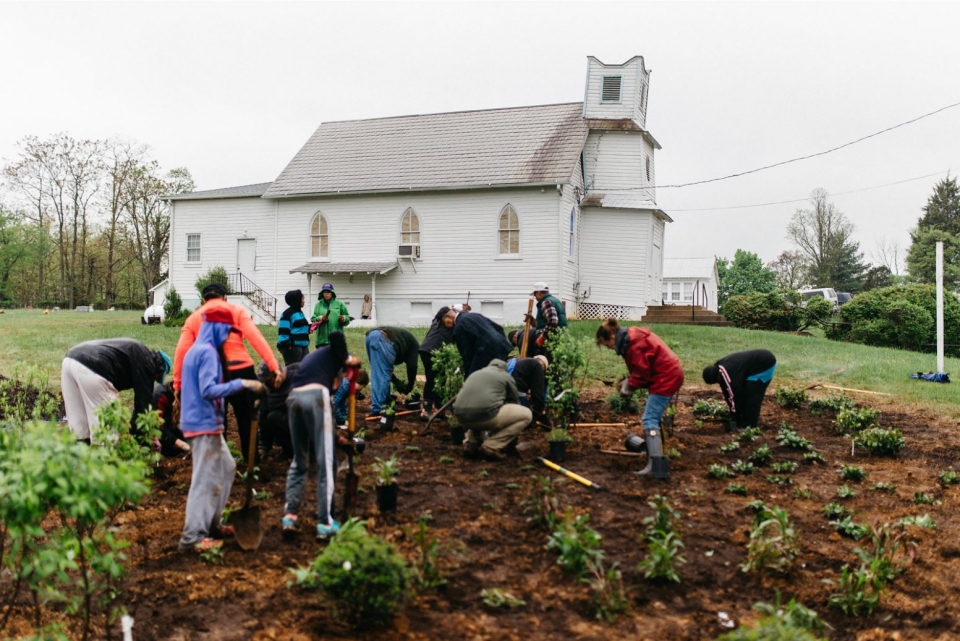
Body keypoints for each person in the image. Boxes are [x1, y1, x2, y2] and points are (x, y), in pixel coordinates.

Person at [178, 307, 265, 553]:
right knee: (203, 480)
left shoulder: (199, 350)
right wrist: (242, 383)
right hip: (201, 423)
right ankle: (192, 537)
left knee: (227, 467)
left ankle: (212, 524)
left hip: (206, 422)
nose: (228, 337)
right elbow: (207, 390)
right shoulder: (205, 353)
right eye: (227, 331)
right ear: (216, 327)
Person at [173, 283, 282, 460]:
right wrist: (273, 366)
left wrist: (178, 385)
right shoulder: (236, 311)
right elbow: (255, 337)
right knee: (246, 418)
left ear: (203, 299)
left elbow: (182, 351)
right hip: (242, 369)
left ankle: (219, 460)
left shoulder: (194, 317)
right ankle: (251, 462)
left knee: (217, 421)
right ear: (225, 298)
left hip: (214, 371)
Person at [282, 331, 357, 540]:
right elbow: (335, 334)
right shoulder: (335, 353)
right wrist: (349, 360)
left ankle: (290, 516)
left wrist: (339, 439)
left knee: (300, 459)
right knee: (327, 462)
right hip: (315, 396)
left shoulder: (315, 363)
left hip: (294, 399)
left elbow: (324, 423)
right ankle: (325, 522)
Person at [596, 318, 684, 477]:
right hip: (668, 373)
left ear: (612, 337)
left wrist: (628, 386)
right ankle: (657, 455)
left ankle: (656, 465)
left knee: (649, 419)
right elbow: (642, 369)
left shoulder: (634, 344)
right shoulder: (631, 338)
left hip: (666, 377)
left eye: (605, 343)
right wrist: (629, 381)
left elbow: (642, 374)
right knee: (654, 418)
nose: (608, 348)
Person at [62, 338, 171, 443]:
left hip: (69, 360)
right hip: (95, 365)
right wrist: (141, 435)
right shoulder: (147, 363)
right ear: (159, 369)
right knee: (106, 429)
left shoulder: (138, 352)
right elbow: (143, 403)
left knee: (80, 427)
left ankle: (80, 458)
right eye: (156, 377)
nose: (154, 379)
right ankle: (105, 459)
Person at [453, 359, 533, 461]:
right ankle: (491, 445)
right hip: (485, 416)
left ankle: (470, 443)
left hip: (461, 417)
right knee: (526, 415)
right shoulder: (505, 376)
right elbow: (514, 401)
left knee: (477, 407)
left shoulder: (475, 374)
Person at [702, 349, 777, 430]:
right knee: (745, 394)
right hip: (755, 366)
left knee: (752, 394)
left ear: (716, 378)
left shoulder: (726, 374)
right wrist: (735, 415)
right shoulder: (721, 368)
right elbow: (728, 393)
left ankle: (750, 427)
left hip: (765, 365)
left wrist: (734, 418)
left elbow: (733, 396)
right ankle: (745, 421)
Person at [364, 326, 420, 417]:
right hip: (383, 338)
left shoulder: (405, 341)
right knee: (382, 375)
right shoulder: (414, 346)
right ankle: (378, 408)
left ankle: (386, 402)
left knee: (378, 372)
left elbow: (384, 368)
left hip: (371, 336)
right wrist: (410, 386)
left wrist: (396, 381)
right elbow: (412, 366)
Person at [449, 309, 513, 379]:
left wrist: (467, 376)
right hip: (501, 345)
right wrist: (501, 341)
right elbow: (498, 328)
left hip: (486, 353)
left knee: (476, 379)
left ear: (447, 317)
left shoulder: (459, 328)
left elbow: (466, 355)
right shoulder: (475, 315)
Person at [257, 361, 298, 460]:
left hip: (307, 422)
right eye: (265, 382)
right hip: (289, 424)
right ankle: (290, 450)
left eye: (269, 380)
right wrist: (263, 446)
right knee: (272, 418)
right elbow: (263, 418)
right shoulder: (267, 390)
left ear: (278, 373)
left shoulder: (298, 373)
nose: (268, 384)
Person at [419, 306, 454, 418]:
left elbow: (447, 309)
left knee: (439, 380)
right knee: (433, 380)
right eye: (447, 316)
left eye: (452, 316)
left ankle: (438, 409)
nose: (450, 319)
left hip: (425, 350)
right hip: (432, 352)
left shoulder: (436, 322)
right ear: (443, 317)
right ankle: (426, 410)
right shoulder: (450, 326)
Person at [508, 355, 550, 426]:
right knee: (528, 418)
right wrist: (540, 410)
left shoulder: (524, 362)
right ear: (543, 364)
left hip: (508, 389)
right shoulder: (537, 366)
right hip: (517, 392)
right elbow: (537, 392)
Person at [152, 382, 189, 456]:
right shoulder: (160, 395)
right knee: (172, 450)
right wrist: (181, 444)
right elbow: (157, 426)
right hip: (154, 430)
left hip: (167, 425)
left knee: (187, 440)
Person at [311, 283, 351, 348]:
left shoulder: (340, 304)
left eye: (328, 292)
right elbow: (313, 319)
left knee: (337, 358)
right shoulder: (318, 305)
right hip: (322, 340)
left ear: (332, 292)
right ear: (322, 293)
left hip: (337, 339)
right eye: (324, 292)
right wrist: (321, 318)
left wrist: (343, 319)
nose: (326, 294)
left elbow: (347, 318)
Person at [277, 289, 310, 365]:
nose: (304, 301)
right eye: (302, 299)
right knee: (293, 371)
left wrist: (315, 325)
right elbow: (283, 331)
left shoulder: (300, 313)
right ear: (297, 300)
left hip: (303, 346)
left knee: (305, 369)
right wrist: (287, 346)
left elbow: (303, 328)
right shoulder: (287, 314)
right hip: (293, 347)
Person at [530, 282, 567, 346]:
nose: (535, 297)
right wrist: (533, 321)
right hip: (560, 336)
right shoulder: (555, 300)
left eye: (535, 295)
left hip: (551, 339)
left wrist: (542, 337)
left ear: (539, 293)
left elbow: (552, 321)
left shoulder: (546, 302)